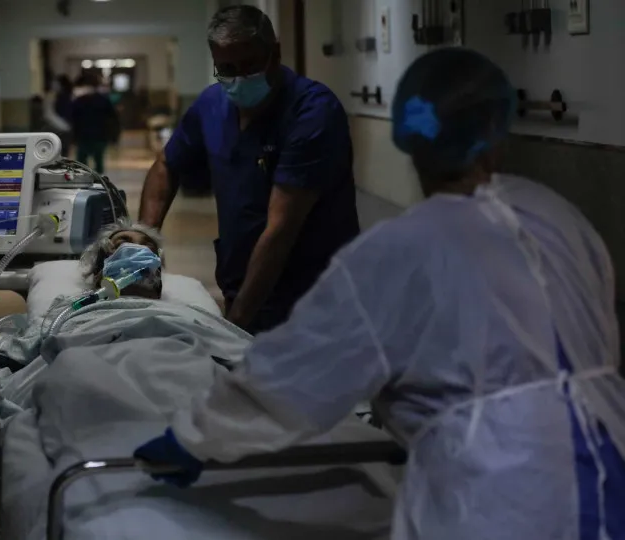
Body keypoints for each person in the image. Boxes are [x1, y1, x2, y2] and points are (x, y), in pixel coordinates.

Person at [133, 48, 625, 539]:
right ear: (497, 131)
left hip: (498, 489)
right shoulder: (559, 217)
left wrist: (195, 437)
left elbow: (296, 374)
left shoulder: (399, 250)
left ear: (407, 141)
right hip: (612, 448)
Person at [139, 5, 358, 335]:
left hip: (312, 295)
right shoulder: (212, 105)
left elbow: (280, 228)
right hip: (241, 283)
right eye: (226, 69)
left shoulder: (312, 113)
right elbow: (167, 164)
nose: (239, 79)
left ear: (275, 53)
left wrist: (235, 325)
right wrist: (143, 242)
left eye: (250, 66)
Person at [79, 218, 165, 300]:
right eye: (121, 244)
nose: (138, 248)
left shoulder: (174, 311)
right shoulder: (77, 309)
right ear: (98, 271)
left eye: (149, 247)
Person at [72, 72, 119, 174]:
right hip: (98, 136)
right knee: (97, 162)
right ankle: (98, 183)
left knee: (82, 164)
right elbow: (113, 119)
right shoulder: (103, 100)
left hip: (87, 136)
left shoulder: (79, 101)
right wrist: (114, 137)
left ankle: (85, 183)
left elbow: (72, 120)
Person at [43, 74, 74, 156]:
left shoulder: (66, 96)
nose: (54, 85)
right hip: (59, 128)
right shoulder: (54, 96)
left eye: (56, 83)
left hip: (63, 129)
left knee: (62, 153)